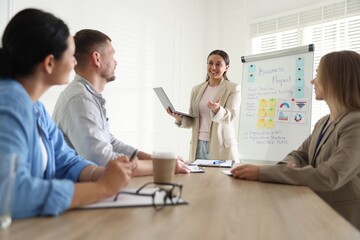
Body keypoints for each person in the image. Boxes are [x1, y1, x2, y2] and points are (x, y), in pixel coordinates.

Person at [0, 8, 133, 219]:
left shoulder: (35, 108)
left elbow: (65, 160)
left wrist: (100, 173)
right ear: (50, 62)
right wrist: (102, 188)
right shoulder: (9, 103)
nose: (74, 62)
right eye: (71, 55)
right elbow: (10, 194)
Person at [231, 50, 360, 229]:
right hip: (317, 212)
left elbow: (330, 176)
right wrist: (287, 166)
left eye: (317, 74)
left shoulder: (356, 123)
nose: (312, 81)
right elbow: (299, 155)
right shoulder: (324, 122)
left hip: (344, 222)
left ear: (334, 79)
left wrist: (263, 172)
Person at [53, 29, 189, 175]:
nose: (115, 62)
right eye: (112, 55)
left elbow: (110, 143)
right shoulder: (79, 99)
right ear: (97, 58)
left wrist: (157, 159)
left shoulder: (87, 95)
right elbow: (101, 160)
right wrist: (164, 166)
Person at [167, 50, 241, 162]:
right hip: (198, 144)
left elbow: (231, 116)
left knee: (219, 179)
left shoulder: (233, 88)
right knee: (198, 179)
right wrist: (179, 118)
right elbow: (193, 120)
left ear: (226, 68)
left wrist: (217, 109)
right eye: (210, 63)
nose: (213, 67)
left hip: (220, 145)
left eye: (218, 64)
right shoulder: (196, 89)